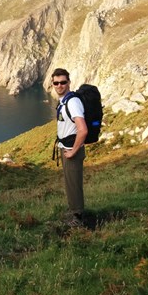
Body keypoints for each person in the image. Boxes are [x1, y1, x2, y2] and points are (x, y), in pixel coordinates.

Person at [51, 68, 88, 227]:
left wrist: (73, 150)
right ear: (52, 83)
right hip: (66, 147)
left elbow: (83, 129)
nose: (60, 85)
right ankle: (74, 211)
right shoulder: (64, 100)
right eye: (56, 83)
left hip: (72, 150)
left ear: (69, 82)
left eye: (63, 82)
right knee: (70, 182)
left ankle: (78, 218)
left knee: (73, 183)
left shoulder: (72, 102)